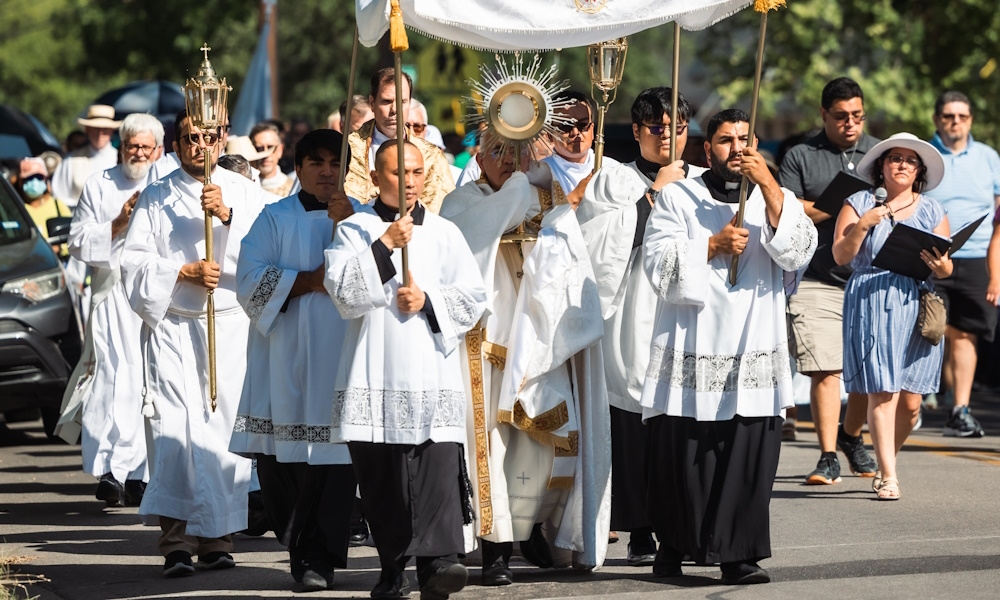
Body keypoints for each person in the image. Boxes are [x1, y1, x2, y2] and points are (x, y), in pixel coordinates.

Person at [641, 109, 817, 584]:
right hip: (693, 335)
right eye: (724, 140)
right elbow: (655, 264)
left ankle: (738, 554)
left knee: (747, 451)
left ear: (756, 143)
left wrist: (771, 187)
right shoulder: (679, 197)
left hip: (753, 337)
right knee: (686, 453)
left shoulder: (775, 199)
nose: (736, 148)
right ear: (707, 149)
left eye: (744, 139)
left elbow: (799, 251)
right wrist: (711, 246)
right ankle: (675, 544)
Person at [439, 136, 610, 585]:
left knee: (538, 453)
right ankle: (495, 552)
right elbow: (467, 250)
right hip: (483, 350)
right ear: (477, 157)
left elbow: (575, 271)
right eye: (497, 151)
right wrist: (521, 189)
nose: (509, 162)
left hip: (539, 349)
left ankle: (537, 532)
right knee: (490, 453)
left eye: (517, 152)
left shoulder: (550, 204)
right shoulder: (461, 202)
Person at [324, 141, 486, 600]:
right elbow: (343, 294)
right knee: (384, 480)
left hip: (431, 372)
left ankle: (441, 564)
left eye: (416, 172)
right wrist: (385, 246)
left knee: (437, 469)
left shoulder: (446, 233)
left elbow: (474, 298)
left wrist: (428, 301)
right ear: (376, 179)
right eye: (398, 173)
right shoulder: (354, 230)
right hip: (375, 370)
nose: (410, 181)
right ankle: (392, 567)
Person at [120, 109, 274, 576]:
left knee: (221, 433)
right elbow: (133, 264)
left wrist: (227, 217)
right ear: (176, 142)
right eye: (190, 138)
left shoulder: (246, 192)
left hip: (227, 326)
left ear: (223, 137)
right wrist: (181, 271)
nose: (199, 146)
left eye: (209, 137)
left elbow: (267, 251)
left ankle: (218, 538)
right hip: (175, 327)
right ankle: (175, 543)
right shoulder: (155, 195)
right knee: (175, 431)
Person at [576, 86, 705, 566]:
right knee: (634, 419)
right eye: (657, 128)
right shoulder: (613, 180)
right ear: (637, 131)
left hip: (685, 313)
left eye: (678, 127)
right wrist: (656, 192)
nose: (667, 136)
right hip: (633, 309)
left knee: (679, 424)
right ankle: (640, 529)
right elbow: (600, 246)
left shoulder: (704, 182)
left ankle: (682, 526)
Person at [230, 129, 359, 592]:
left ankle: (320, 558)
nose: (327, 171)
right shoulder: (274, 218)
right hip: (282, 356)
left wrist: (352, 233)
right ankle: (298, 548)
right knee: (283, 465)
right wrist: (309, 280)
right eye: (317, 162)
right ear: (299, 167)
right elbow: (248, 281)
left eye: (335, 163)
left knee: (334, 461)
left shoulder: (360, 218)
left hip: (340, 360)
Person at [833, 133, 951, 499]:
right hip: (872, 298)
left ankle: (888, 462)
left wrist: (941, 265)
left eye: (910, 160)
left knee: (912, 401)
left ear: (919, 171)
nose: (901, 164)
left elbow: (946, 269)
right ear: (881, 166)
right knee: (884, 391)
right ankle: (889, 474)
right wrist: (865, 224)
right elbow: (840, 255)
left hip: (917, 300)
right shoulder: (858, 203)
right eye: (894, 158)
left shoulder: (932, 209)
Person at [779, 77, 879, 484]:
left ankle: (851, 436)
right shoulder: (801, 155)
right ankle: (826, 456)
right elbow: (785, 208)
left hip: (869, 279)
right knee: (826, 368)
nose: (850, 123)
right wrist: (836, 205)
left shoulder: (879, 152)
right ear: (824, 115)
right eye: (840, 116)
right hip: (817, 276)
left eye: (857, 115)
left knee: (864, 370)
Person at [64, 114, 164, 507]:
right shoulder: (100, 184)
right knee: (113, 379)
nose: (137, 153)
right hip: (112, 297)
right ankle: (111, 470)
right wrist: (119, 222)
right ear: (121, 147)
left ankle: (142, 473)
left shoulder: (165, 184)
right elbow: (78, 241)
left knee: (150, 381)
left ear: (157, 150)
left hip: (157, 296)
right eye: (131, 146)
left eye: (144, 147)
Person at [925, 91, 1000, 437]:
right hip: (932, 256)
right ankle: (915, 400)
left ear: (970, 119)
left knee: (966, 334)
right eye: (949, 116)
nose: (956, 122)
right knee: (931, 331)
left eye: (962, 116)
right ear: (937, 119)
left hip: (978, 258)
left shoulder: (988, 157)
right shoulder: (924, 155)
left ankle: (960, 409)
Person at [344, 68, 455, 213]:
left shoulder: (431, 156)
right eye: (386, 101)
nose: (394, 109)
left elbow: (441, 208)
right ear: (372, 103)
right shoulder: (346, 149)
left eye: (402, 102)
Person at [51, 104, 121, 206]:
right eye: (96, 128)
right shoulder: (71, 160)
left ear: (111, 131)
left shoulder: (120, 160)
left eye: (105, 128)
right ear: (87, 129)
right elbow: (59, 196)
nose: (100, 133)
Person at [17, 158, 72, 257]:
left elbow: (75, 235)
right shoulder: (17, 209)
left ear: (46, 180)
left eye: (38, 177)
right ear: (20, 181)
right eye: (28, 178)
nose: (34, 182)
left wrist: (59, 248)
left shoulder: (57, 205)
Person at [250, 122, 296, 198]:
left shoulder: (293, 190)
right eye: (259, 148)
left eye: (270, 148)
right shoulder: (243, 187)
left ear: (280, 150)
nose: (266, 154)